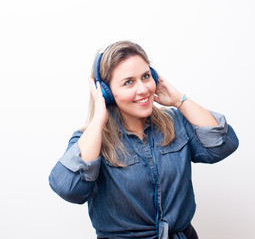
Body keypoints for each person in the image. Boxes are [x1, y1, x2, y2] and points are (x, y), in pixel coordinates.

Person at [49, 40, 239, 239]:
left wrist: (178, 101)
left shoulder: (175, 122)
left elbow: (223, 144)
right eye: (128, 82)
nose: (143, 89)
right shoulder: (91, 139)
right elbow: (68, 188)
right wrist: (98, 119)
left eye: (146, 76)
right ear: (106, 92)